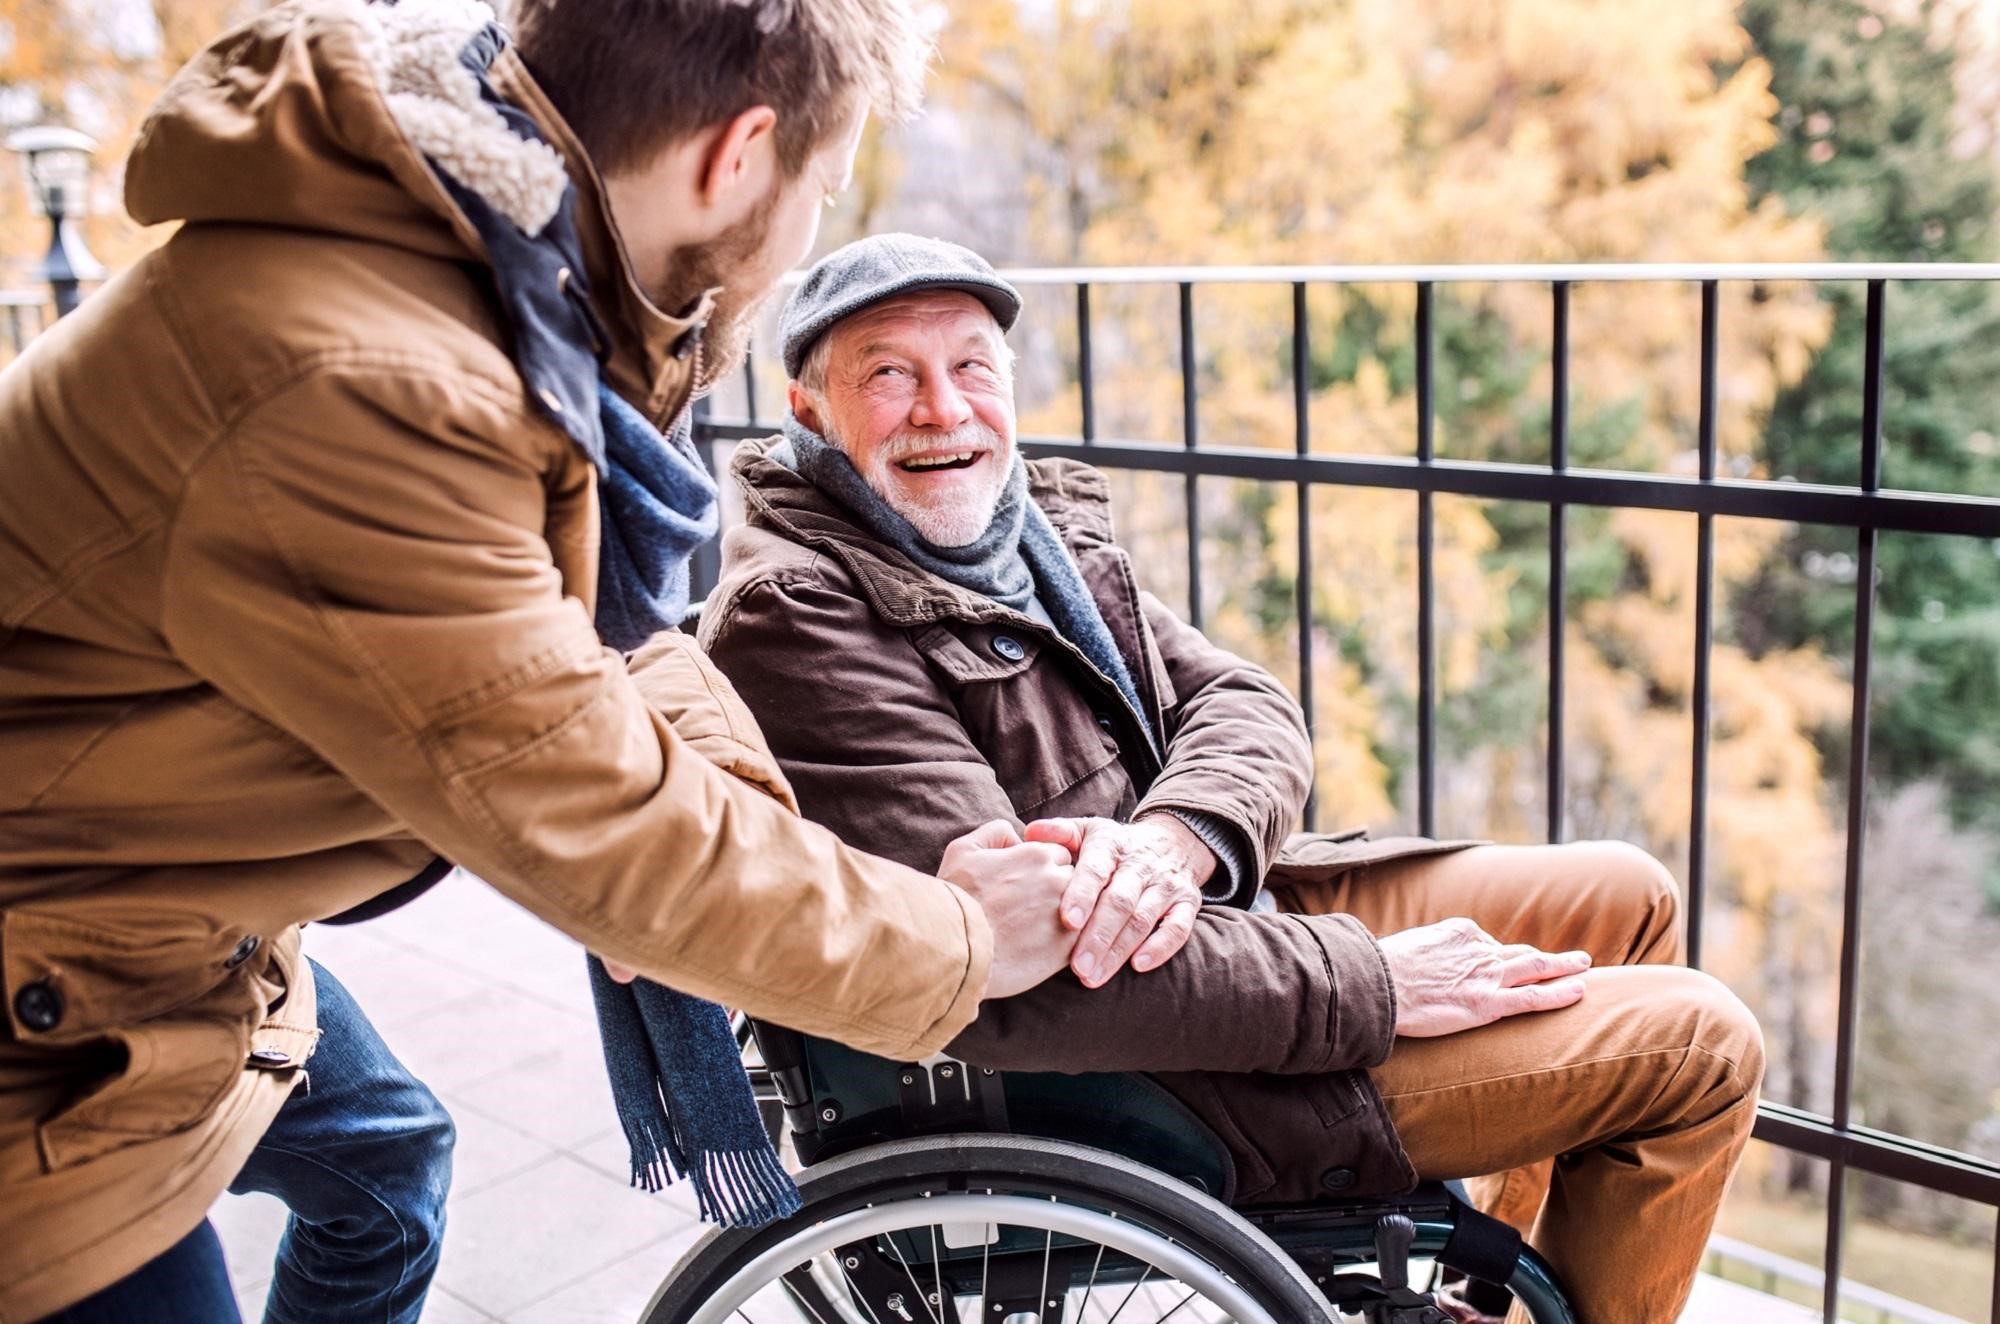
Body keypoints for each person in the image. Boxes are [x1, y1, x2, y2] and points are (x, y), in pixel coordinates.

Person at [0, 6, 1082, 1321]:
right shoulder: (365, 387)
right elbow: (603, 827)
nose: (805, 241)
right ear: (736, 159)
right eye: (823, 189)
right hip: (48, 983)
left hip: (153, 892)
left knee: (386, 1166)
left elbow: (607, 640)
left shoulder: (507, 259)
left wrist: (740, 814)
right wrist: (961, 946)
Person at [698, 233, 1769, 1324]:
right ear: (809, 408)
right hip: (1160, 1070)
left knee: (1625, 893)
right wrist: (1375, 985)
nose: (943, 407)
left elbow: (1244, 704)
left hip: (1220, 920)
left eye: (970, 365)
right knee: (1704, 1043)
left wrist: (1170, 843)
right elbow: (1004, 981)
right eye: (889, 373)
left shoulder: (1018, 535)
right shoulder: (800, 612)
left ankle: (1483, 1303)